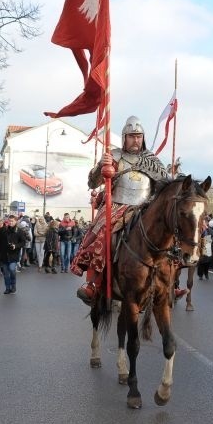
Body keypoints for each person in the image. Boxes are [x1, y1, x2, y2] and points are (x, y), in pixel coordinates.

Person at [71, 116, 170, 305]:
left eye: (139, 136)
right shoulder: (114, 156)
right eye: (132, 136)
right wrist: (102, 166)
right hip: (117, 205)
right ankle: (92, 283)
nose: (136, 140)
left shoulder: (153, 161)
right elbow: (92, 183)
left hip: (145, 207)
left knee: (170, 236)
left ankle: (170, 283)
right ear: (124, 137)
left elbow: (165, 185)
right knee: (100, 235)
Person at [0, 215, 26, 294]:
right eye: (9, 221)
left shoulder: (19, 231)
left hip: (14, 254)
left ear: (16, 221)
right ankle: (7, 288)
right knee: (6, 273)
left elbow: (23, 242)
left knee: (12, 270)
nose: (10, 222)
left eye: (12, 221)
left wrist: (15, 246)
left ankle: (13, 286)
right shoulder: (3, 230)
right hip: (4, 254)